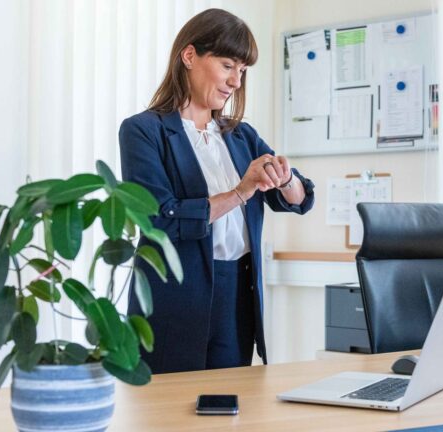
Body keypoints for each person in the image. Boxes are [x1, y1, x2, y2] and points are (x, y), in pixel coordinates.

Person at [118, 8, 314, 374]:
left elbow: (299, 199)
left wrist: (286, 179)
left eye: (242, 71)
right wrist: (241, 191)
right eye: (227, 66)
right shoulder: (143, 131)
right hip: (175, 296)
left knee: (228, 412)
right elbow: (160, 217)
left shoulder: (241, 135)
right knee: (171, 415)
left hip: (237, 294)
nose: (236, 81)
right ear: (189, 56)